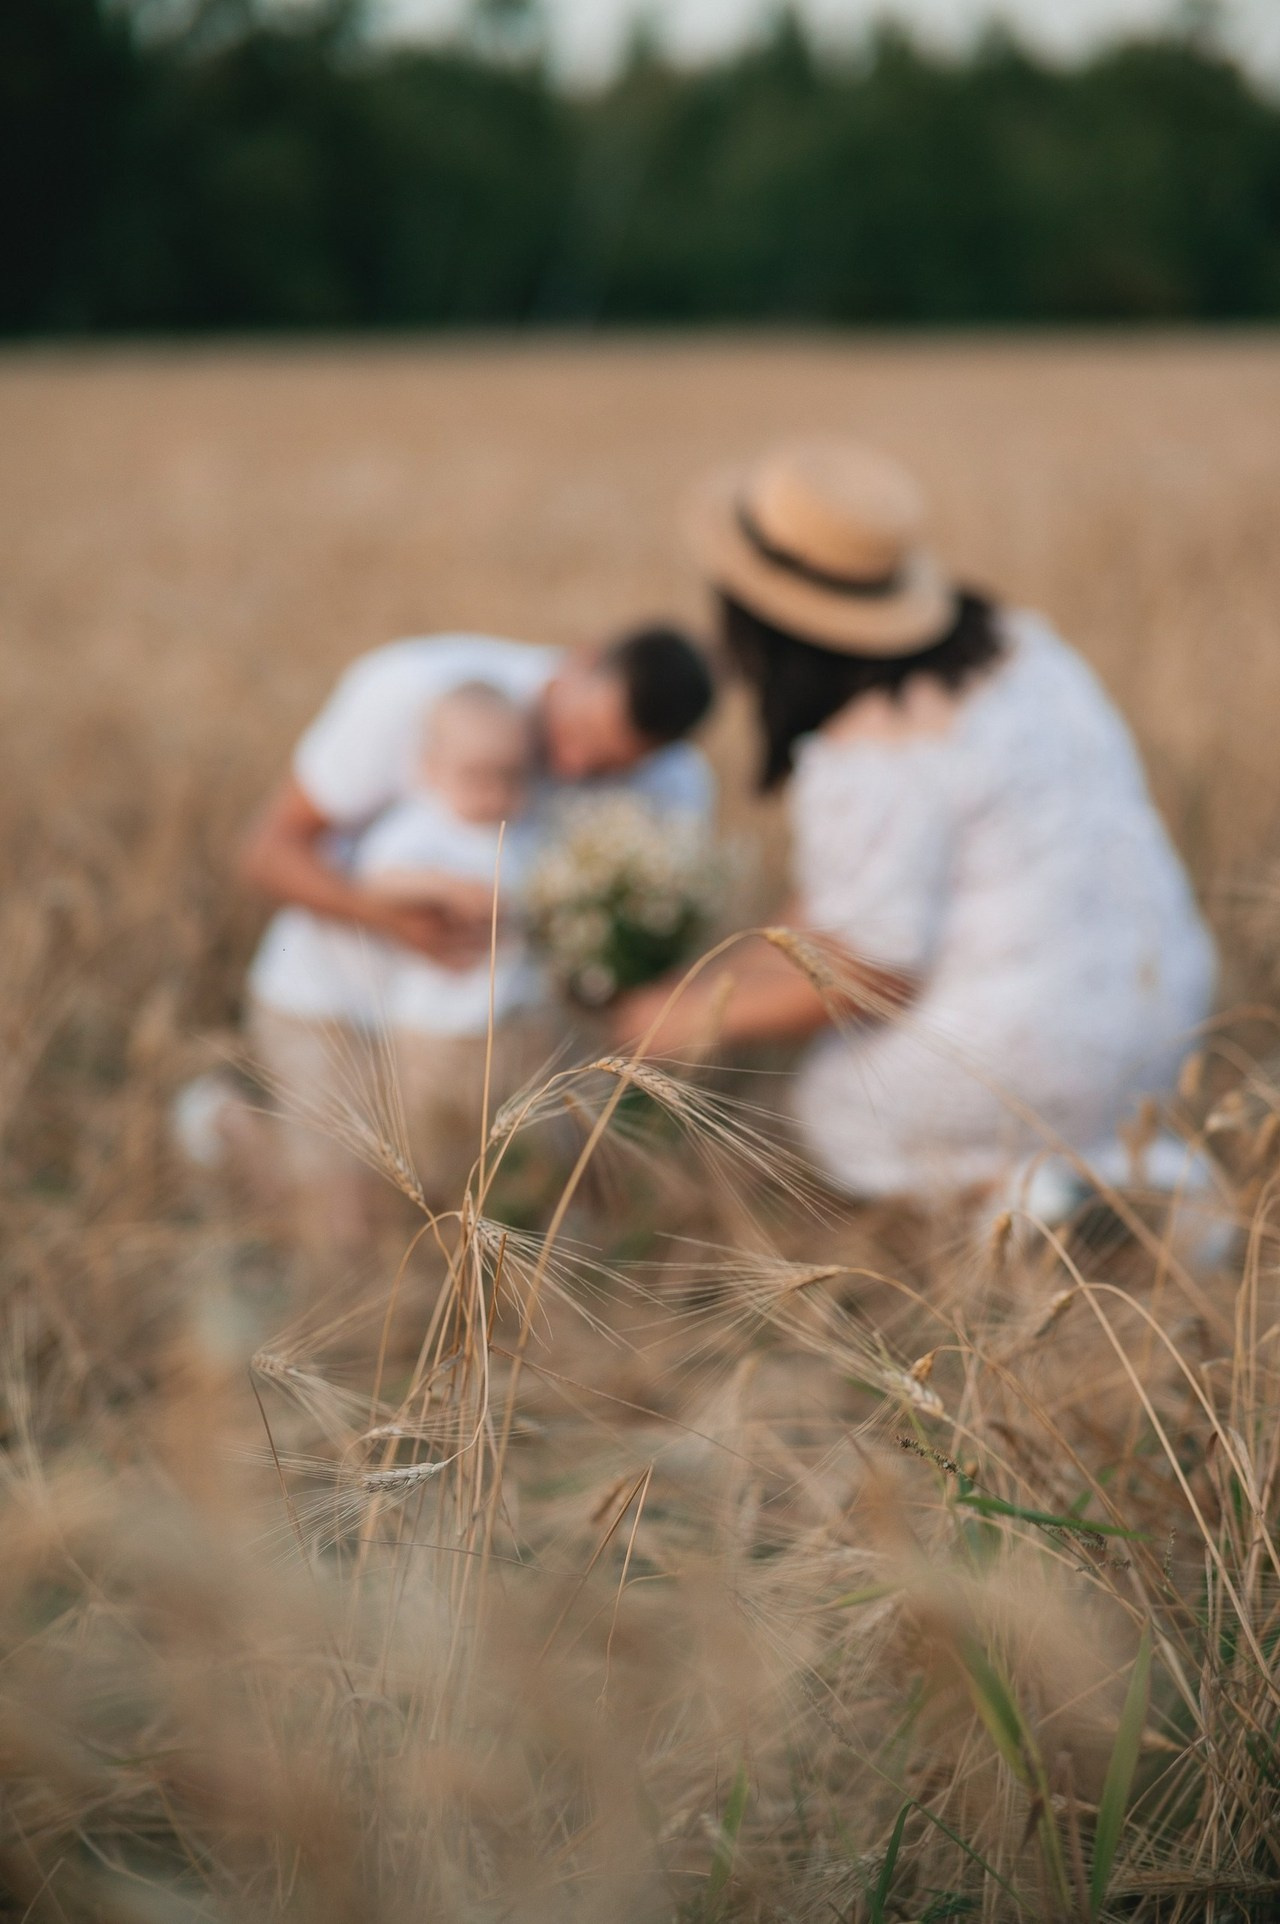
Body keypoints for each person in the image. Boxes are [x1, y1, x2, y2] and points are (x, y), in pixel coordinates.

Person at [613, 438, 1216, 1221]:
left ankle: (1037, 1206)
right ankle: (1123, 1175)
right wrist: (706, 985)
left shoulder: (869, 752)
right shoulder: (1023, 644)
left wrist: (681, 1021)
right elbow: (842, 905)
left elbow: (876, 972)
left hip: (1029, 1048)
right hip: (1166, 1014)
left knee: (836, 1109)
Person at [225, 624, 714, 1243]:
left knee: (463, 1211)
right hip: (333, 1003)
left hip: (477, 1036)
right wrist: (392, 919)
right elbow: (266, 853)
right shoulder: (409, 691)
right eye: (577, 733)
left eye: (609, 766)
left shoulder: (676, 786)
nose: (573, 764)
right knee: (344, 1222)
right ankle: (226, 1125)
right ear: (581, 660)